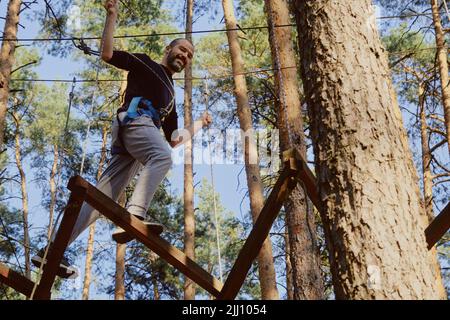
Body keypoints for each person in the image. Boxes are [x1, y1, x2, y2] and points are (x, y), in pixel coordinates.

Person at [31, 0, 212, 279]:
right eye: (182, 49)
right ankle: (135, 214)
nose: (185, 56)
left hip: (136, 138)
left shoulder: (172, 97)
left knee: (100, 199)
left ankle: (52, 250)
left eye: (190, 55)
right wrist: (111, 16)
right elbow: (107, 54)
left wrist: (199, 124)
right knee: (161, 156)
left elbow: (175, 139)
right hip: (135, 123)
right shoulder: (145, 62)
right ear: (169, 49)